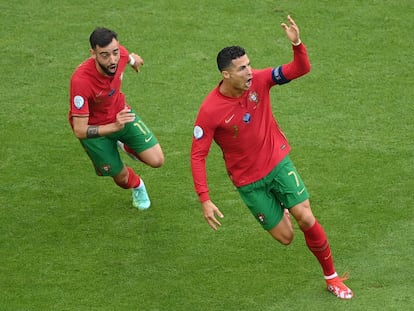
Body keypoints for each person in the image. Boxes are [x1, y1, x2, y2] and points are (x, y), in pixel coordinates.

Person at [190, 16, 353, 299]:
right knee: (286, 238)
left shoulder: (261, 80)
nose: (249, 72)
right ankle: (282, 208)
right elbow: (197, 156)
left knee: (306, 217)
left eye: (249, 64)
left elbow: (301, 68)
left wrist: (296, 44)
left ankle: (332, 277)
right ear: (226, 75)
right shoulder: (210, 110)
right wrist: (205, 199)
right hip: (248, 182)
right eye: (242, 69)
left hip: (278, 162)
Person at [69, 27, 164, 210]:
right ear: (93, 54)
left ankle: (125, 144)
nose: (112, 60)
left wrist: (133, 60)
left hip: (120, 114)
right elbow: (80, 130)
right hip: (94, 130)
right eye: (104, 55)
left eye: (115, 52)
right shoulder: (81, 81)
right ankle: (138, 186)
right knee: (121, 179)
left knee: (157, 160)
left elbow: (127, 57)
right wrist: (113, 128)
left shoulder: (119, 56)